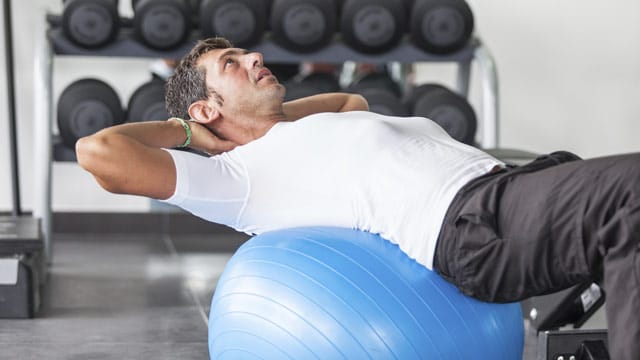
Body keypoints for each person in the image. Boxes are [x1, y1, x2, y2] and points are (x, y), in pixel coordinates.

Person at [76, 37, 639, 359]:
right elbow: (98, 152)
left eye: (248, 55)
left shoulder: (297, 131)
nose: (253, 60)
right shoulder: (237, 177)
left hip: (511, 190)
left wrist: (265, 117)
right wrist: (192, 133)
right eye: (233, 65)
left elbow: (350, 102)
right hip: (474, 223)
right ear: (205, 107)